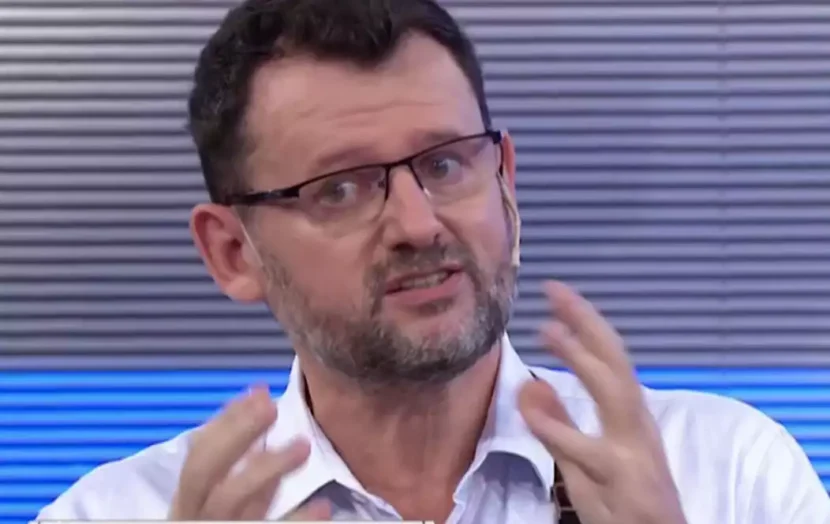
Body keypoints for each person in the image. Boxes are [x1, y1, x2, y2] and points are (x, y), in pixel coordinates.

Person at [36, 0, 829, 523]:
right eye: (340, 189)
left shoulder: (727, 476)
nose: (418, 225)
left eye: (445, 164)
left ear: (505, 180)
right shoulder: (112, 514)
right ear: (232, 252)